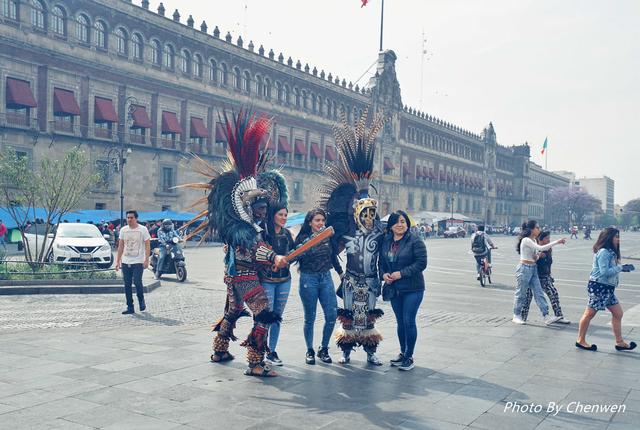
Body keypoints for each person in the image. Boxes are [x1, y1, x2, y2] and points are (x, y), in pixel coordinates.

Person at [180, 109, 295, 377]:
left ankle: (220, 349)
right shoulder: (240, 229)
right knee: (263, 313)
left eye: (264, 208)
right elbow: (253, 248)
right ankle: (255, 362)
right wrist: (273, 257)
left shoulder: (248, 225)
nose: (261, 212)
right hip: (242, 276)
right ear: (247, 206)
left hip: (236, 275)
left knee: (232, 310)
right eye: (258, 207)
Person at [319, 109, 386, 366]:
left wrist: (383, 277)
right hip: (350, 280)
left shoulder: (379, 232)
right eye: (365, 213)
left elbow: (388, 252)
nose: (369, 217)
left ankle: (371, 353)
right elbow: (330, 251)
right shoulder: (347, 232)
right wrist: (340, 272)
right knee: (348, 316)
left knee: (368, 316)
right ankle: (346, 352)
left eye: (372, 213)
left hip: (370, 280)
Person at [379, 211, 427, 371]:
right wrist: (384, 275)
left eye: (403, 222)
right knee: (400, 322)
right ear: (391, 225)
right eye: (397, 222)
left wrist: (401, 273)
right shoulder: (386, 242)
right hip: (395, 288)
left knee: (408, 320)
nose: (400, 225)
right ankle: (402, 353)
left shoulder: (415, 241)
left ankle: (409, 356)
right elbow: (381, 263)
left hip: (413, 288)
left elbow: (421, 263)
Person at [576, 227, 636, 352]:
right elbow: (604, 272)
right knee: (589, 314)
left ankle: (619, 342)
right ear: (609, 238)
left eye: (618, 236)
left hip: (607, 288)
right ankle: (580, 340)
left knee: (618, 313)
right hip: (599, 287)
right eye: (616, 236)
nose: (618, 239)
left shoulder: (610, 252)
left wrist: (622, 268)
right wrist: (620, 268)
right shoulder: (604, 252)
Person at [296, 208, 339, 365]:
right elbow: (294, 255)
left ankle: (324, 348)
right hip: (308, 278)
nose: (321, 223)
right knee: (310, 317)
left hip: (326, 277)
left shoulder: (328, 235)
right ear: (310, 222)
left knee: (332, 315)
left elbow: (333, 256)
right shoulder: (302, 237)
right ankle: (310, 350)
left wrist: (341, 273)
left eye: (322, 220)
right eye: (317, 220)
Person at [513, 220, 566, 325]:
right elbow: (541, 248)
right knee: (521, 293)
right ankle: (516, 315)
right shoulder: (526, 240)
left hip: (532, 268)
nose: (539, 229)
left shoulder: (533, 240)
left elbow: (535, 255)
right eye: (537, 227)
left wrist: (537, 256)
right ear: (531, 229)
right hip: (524, 268)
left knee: (539, 293)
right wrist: (557, 242)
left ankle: (546, 315)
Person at [262, 203, 296, 366]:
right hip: (267, 281)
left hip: (284, 281)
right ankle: (259, 349)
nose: (284, 218)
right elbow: (258, 255)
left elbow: (295, 253)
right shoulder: (264, 234)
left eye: (285, 215)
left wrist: (288, 259)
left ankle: (272, 351)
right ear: (273, 215)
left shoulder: (288, 234)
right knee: (265, 317)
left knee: (276, 317)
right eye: (280, 214)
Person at [115, 210, 150, 315]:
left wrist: (146, 259)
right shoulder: (123, 230)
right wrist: (117, 261)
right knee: (127, 285)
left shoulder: (143, 229)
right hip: (126, 261)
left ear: (136, 218)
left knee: (138, 282)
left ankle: (141, 300)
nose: (129, 220)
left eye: (131, 218)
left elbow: (147, 245)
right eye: (128, 218)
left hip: (138, 261)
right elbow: (120, 246)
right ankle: (130, 307)